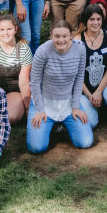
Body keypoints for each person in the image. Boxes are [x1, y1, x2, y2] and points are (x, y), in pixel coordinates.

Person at [26, 20, 93, 153]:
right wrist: (39, 110)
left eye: (64, 36)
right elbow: (34, 81)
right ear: (51, 36)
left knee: (85, 142)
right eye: (57, 36)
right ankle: (52, 125)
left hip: (68, 103)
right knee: (36, 147)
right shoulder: (42, 51)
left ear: (71, 36)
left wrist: (75, 106)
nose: (61, 40)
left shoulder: (80, 48)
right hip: (45, 103)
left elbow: (80, 78)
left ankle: (62, 124)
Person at [77, 4, 107, 128]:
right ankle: (92, 106)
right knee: (92, 123)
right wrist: (89, 95)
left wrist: (98, 91)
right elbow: (75, 74)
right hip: (83, 87)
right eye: (91, 19)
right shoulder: (77, 40)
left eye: (98, 19)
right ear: (85, 20)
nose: (95, 23)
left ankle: (102, 103)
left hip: (103, 81)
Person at [0, 14, 32, 125]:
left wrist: (28, 108)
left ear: (15, 29)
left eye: (9, 29)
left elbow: (24, 82)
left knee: (11, 117)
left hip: (14, 90)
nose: (6, 33)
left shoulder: (24, 48)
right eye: (2, 29)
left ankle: (17, 109)